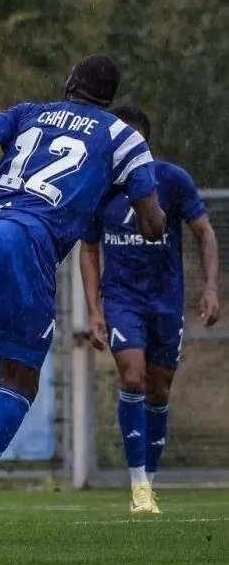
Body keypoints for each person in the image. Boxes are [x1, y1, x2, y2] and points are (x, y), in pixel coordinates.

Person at [0, 55, 165, 547]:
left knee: (5, 352)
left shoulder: (31, 111)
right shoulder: (124, 137)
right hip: (24, 242)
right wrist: (133, 193)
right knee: (21, 382)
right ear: (110, 98)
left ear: (70, 83)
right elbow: (151, 226)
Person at [80, 104, 219, 515]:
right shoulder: (99, 186)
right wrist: (94, 310)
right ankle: (137, 484)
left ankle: (150, 486)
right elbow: (89, 249)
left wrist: (211, 287)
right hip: (122, 299)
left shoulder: (172, 180)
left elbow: (204, 233)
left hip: (165, 300)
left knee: (159, 389)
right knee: (133, 376)